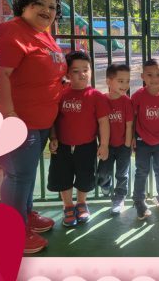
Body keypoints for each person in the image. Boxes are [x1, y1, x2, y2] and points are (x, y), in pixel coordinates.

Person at [0, 0, 66, 254]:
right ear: (24, 5)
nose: (47, 10)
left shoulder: (44, 35)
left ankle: (25, 214)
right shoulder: (11, 32)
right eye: (39, 3)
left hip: (41, 121)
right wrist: (8, 115)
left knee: (28, 173)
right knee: (18, 175)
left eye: (52, 7)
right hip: (19, 121)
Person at [47, 51, 110, 227]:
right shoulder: (61, 93)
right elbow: (53, 118)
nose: (82, 74)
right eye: (76, 71)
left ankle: (81, 203)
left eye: (86, 69)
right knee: (62, 176)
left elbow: (103, 122)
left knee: (85, 176)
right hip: (62, 146)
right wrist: (53, 137)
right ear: (67, 74)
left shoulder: (96, 96)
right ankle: (68, 206)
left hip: (87, 146)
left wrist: (104, 144)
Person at [131, 58, 159, 220]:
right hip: (142, 140)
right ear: (142, 77)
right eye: (149, 75)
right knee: (141, 171)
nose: (154, 78)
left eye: (158, 74)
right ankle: (139, 202)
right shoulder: (138, 96)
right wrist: (132, 137)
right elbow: (133, 118)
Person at [96, 63, 134, 215]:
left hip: (123, 145)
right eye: (120, 81)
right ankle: (105, 185)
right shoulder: (101, 100)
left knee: (122, 174)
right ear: (108, 81)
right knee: (102, 173)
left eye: (127, 81)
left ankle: (119, 198)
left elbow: (129, 125)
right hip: (106, 146)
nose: (125, 85)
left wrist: (127, 145)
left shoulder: (127, 102)